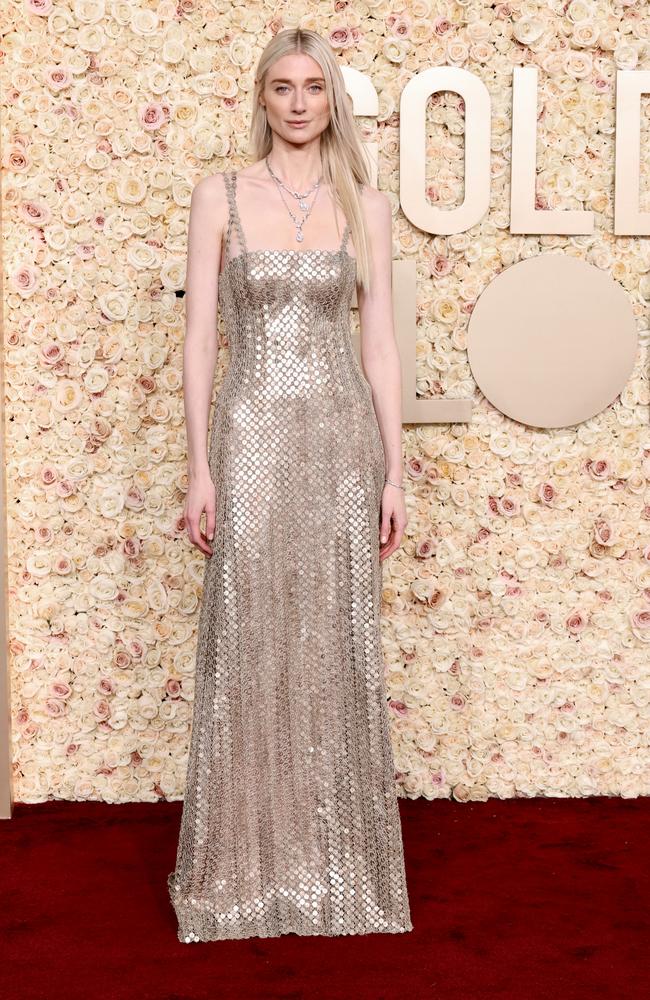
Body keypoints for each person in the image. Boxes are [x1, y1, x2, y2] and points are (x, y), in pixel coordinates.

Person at [167, 26, 413, 942]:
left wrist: (394, 468)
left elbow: (378, 345)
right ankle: (243, 872)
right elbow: (200, 341)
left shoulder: (368, 206)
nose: (300, 101)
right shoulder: (219, 195)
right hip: (253, 437)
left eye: (315, 86)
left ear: (332, 98)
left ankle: (337, 870)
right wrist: (199, 464)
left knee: (335, 636)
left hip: (342, 443)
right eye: (283, 86)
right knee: (249, 642)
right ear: (262, 97)